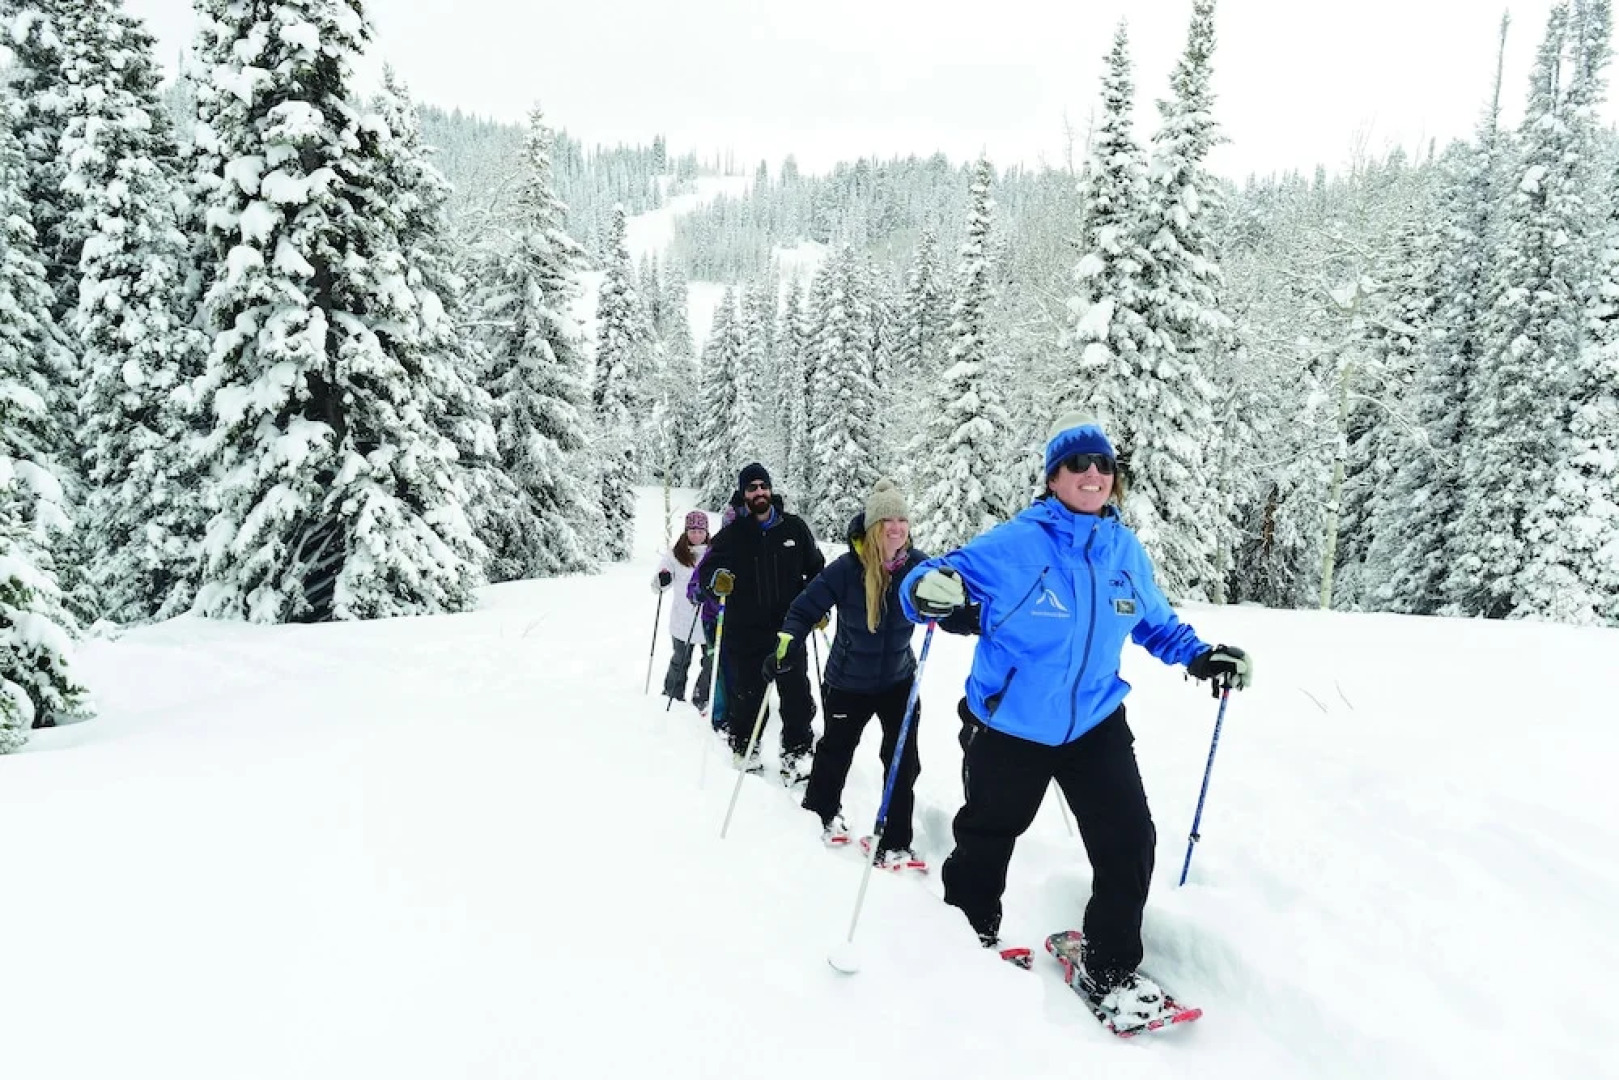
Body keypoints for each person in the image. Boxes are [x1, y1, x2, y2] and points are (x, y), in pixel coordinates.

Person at [898, 413, 1253, 1019]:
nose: (1093, 474)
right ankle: (965, 937)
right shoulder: (1017, 542)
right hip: (1010, 722)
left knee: (1129, 840)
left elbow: (1156, 624)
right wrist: (927, 587)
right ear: (1054, 477)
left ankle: (1109, 964)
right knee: (987, 837)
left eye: (1104, 465)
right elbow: (929, 580)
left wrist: (1200, 656)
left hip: (1093, 722)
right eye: (1078, 465)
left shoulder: (1123, 550)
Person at [772, 478, 977, 871]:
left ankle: (895, 841)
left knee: (902, 760)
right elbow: (803, 607)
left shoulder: (918, 566)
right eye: (888, 520)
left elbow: (948, 608)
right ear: (873, 527)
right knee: (835, 752)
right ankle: (819, 814)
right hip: (848, 680)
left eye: (902, 519)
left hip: (899, 679)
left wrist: (972, 619)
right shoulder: (846, 569)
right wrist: (788, 639)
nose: (897, 528)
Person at [696, 463, 825, 783]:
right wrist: (717, 580)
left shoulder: (794, 529)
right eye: (751, 488)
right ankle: (746, 747)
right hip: (746, 631)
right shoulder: (731, 535)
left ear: (770, 489)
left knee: (796, 693)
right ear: (743, 494)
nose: (758, 492)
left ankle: (796, 752)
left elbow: (817, 570)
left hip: (789, 629)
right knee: (748, 695)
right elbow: (705, 576)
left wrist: (818, 604)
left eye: (762, 486)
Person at [653, 510, 714, 713]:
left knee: (711, 662)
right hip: (682, 619)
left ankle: (701, 696)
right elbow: (658, 585)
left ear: (706, 532)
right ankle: (672, 694)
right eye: (692, 530)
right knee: (680, 660)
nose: (696, 535)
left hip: (709, 619)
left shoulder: (714, 552)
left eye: (700, 531)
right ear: (686, 531)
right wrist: (662, 579)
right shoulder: (675, 555)